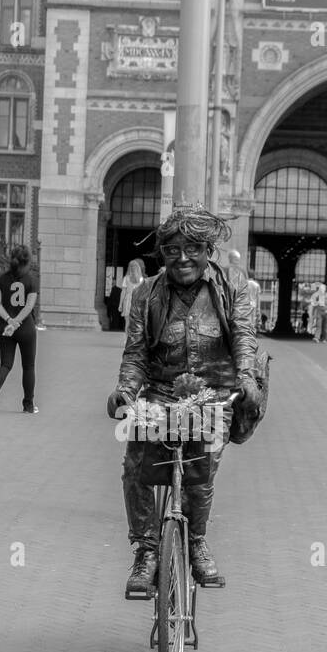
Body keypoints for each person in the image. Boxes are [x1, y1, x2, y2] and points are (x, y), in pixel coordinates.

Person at [107, 206, 259, 596]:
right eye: (173, 250)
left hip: (215, 394)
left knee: (201, 466)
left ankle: (196, 541)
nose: (183, 258)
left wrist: (245, 377)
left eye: (192, 248)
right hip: (160, 393)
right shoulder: (147, 293)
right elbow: (136, 353)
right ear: (163, 253)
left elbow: (243, 336)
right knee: (135, 463)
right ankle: (145, 549)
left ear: (208, 249)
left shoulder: (231, 289)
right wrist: (126, 391)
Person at [0, 244, 39, 414]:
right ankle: (28, 405)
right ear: (27, 261)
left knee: (5, 364)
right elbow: (29, 306)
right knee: (28, 367)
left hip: (5, 328)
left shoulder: (2, 279)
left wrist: (9, 320)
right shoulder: (31, 280)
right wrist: (17, 322)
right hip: (26, 328)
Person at [117, 259, 146, 333]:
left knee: (131, 322)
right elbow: (123, 292)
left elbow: (143, 293)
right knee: (131, 322)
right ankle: (128, 339)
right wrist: (120, 304)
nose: (132, 268)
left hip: (133, 302)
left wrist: (120, 304)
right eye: (131, 267)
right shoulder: (127, 278)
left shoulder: (140, 279)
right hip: (130, 302)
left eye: (133, 267)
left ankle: (130, 339)